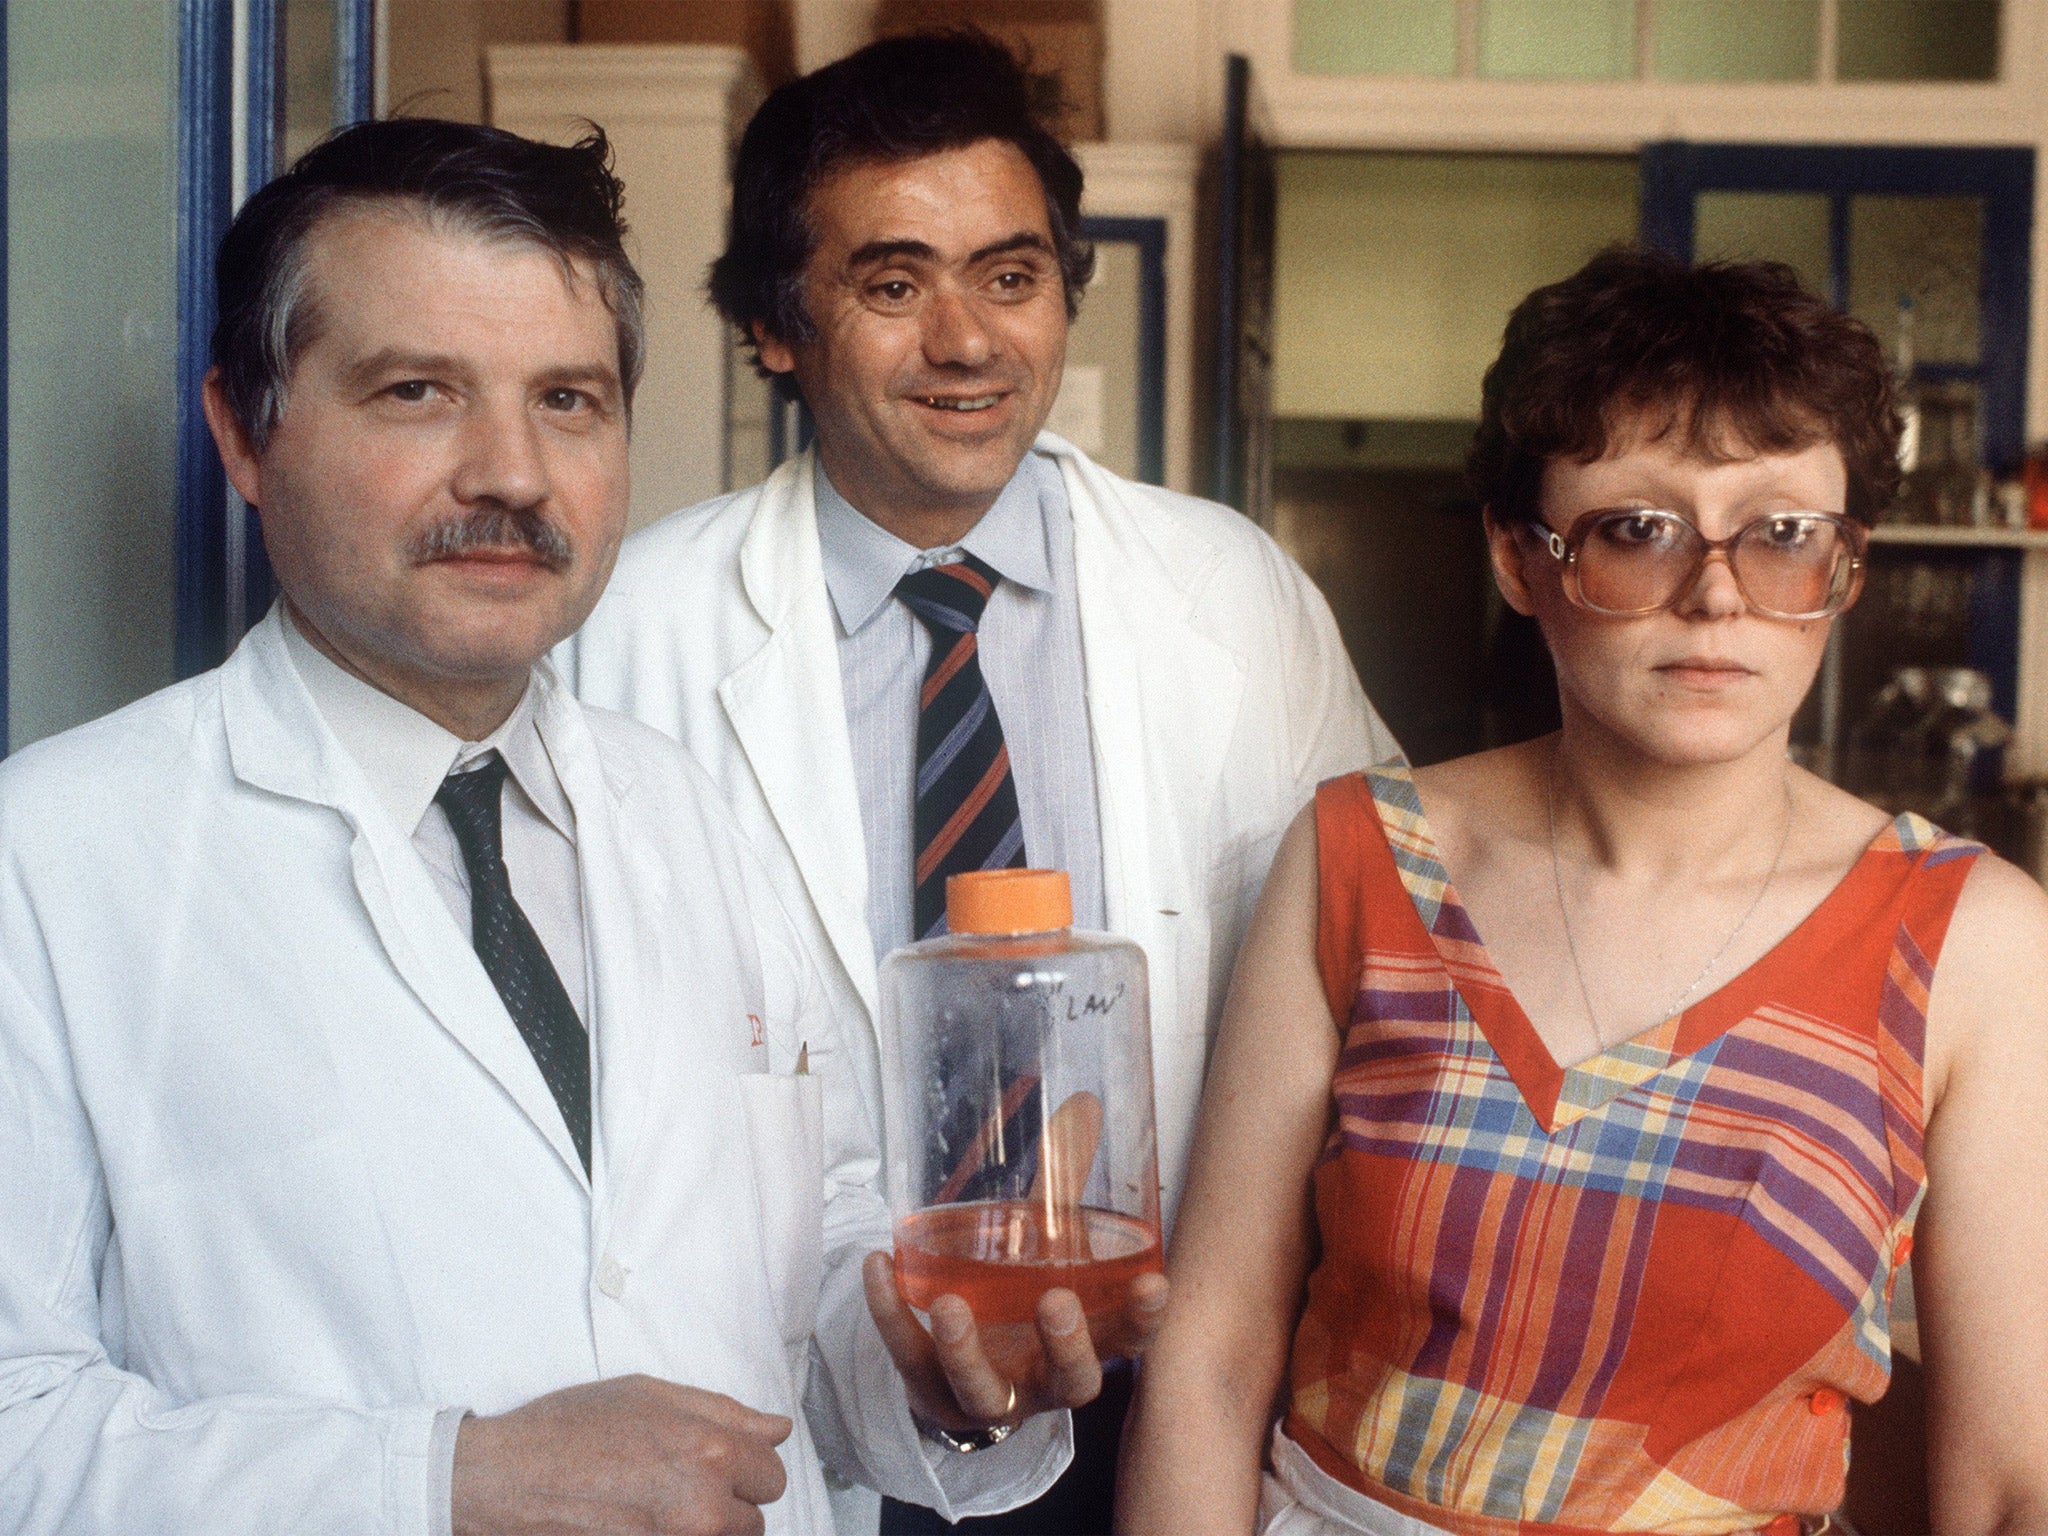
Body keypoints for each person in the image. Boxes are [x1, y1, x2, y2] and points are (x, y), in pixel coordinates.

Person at [0, 117, 1110, 1536]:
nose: (513, 476)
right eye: (417, 392)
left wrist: (935, 1362)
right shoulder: (54, 861)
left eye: (570, 402)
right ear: (245, 431)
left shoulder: (691, 812)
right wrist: (444, 1482)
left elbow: (806, 1258)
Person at [565, 32, 1395, 1536]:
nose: (968, 341)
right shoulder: (625, 636)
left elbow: (1385, 962)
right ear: (774, 326)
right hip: (795, 1409)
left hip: (1172, 1397)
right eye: (893, 285)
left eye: (1010, 277)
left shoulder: (1230, 595)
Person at [1121, 248, 2048, 1536]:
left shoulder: (1976, 941)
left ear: (1846, 566)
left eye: (1782, 535)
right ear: (1521, 558)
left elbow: (2012, 1489)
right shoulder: (1357, 858)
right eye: (1637, 530)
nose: (1716, 594)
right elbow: (1211, 1371)